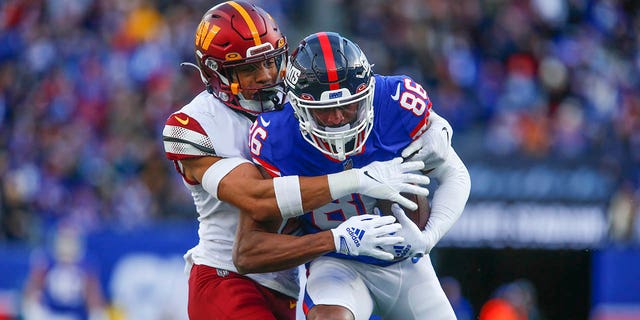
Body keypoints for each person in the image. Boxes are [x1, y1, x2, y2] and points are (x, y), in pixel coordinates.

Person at [161, 3, 449, 319]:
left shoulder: (298, 97)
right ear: (216, 73)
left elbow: (364, 93)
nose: (267, 76)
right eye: (249, 69)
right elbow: (258, 199)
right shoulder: (191, 125)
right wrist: (358, 181)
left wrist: (436, 126)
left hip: (287, 278)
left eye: (271, 61)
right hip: (227, 276)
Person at [235, 32, 471, 320]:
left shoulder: (396, 103)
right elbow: (252, 243)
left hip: (404, 260)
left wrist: (429, 237)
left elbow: (455, 174)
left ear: (368, 94)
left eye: (348, 105)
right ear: (299, 107)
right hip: (335, 263)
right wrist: (333, 237)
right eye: (324, 110)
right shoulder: (278, 137)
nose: (337, 118)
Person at [22, 225, 107, 320]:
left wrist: (96, 314)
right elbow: (32, 289)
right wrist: (33, 308)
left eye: (70, 241)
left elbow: (93, 298)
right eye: (64, 241)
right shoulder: (46, 261)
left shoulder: (86, 266)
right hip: (50, 314)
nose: (66, 246)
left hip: (75, 316)